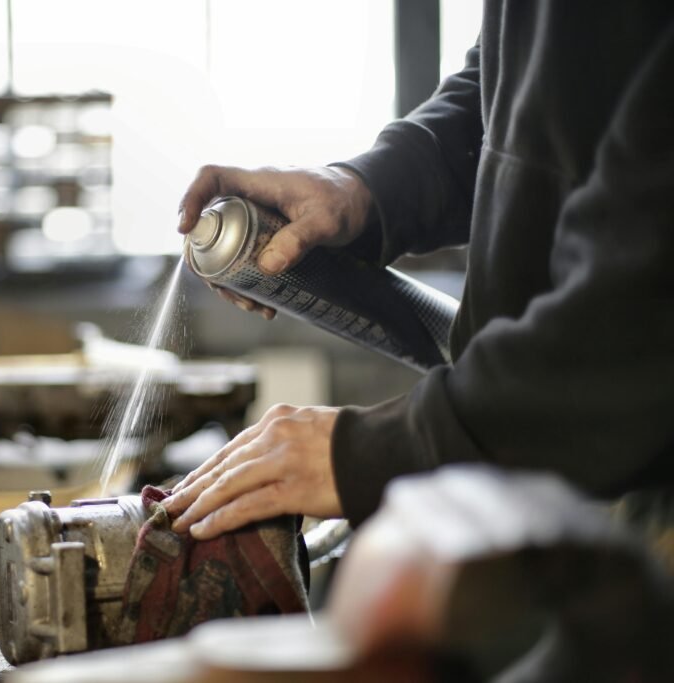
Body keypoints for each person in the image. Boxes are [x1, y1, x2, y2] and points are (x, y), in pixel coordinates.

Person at [161, 2, 674, 554]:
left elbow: (643, 318)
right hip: (548, 448)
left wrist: (383, 452)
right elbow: (526, 82)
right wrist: (366, 188)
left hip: (619, 445)